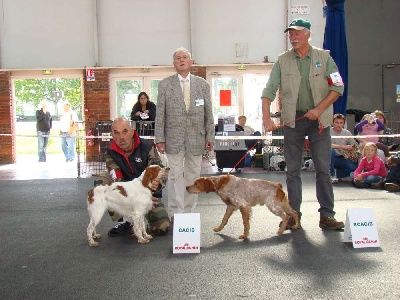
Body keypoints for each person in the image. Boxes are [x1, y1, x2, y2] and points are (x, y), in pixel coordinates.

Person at [261, 18, 345, 230]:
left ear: (308, 34)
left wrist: (318, 110)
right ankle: (293, 215)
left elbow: (338, 87)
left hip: (320, 121)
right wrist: (266, 118)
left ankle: (327, 215)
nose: (293, 37)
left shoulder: (324, 57)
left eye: (297, 33)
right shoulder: (282, 60)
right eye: (290, 33)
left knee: (323, 170)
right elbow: (268, 90)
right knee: (292, 171)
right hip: (293, 121)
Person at [155, 47, 215, 220]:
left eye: (185, 57)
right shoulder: (165, 85)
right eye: (178, 58)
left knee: (193, 176)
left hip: (197, 138)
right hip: (172, 138)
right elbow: (160, 114)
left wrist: (210, 136)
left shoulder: (203, 85)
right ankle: (175, 212)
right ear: (174, 63)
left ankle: (188, 213)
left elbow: (208, 113)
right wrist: (160, 138)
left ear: (191, 61)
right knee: (174, 175)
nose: (182, 60)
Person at [96, 117, 170, 236]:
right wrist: (133, 200)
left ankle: (141, 223)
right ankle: (125, 221)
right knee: (102, 180)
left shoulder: (147, 146)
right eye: (116, 133)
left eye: (125, 131)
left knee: (162, 228)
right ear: (112, 135)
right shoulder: (110, 152)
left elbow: (160, 172)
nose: (121, 137)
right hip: (127, 196)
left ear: (132, 131)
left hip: (148, 194)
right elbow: (117, 179)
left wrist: (157, 184)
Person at [330, 114, 358, 183]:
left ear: (343, 124)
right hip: (330, 156)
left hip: (342, 157)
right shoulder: (328, 132)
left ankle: (341, 175)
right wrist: (342, 146)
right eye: (337, 122)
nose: (339, 125)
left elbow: (354, 144)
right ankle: (331, 175)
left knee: (353, 168)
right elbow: (326, 145)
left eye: (341, 123)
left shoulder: (347, 133)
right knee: (331, 151)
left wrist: (352, 148)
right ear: (332, 123)